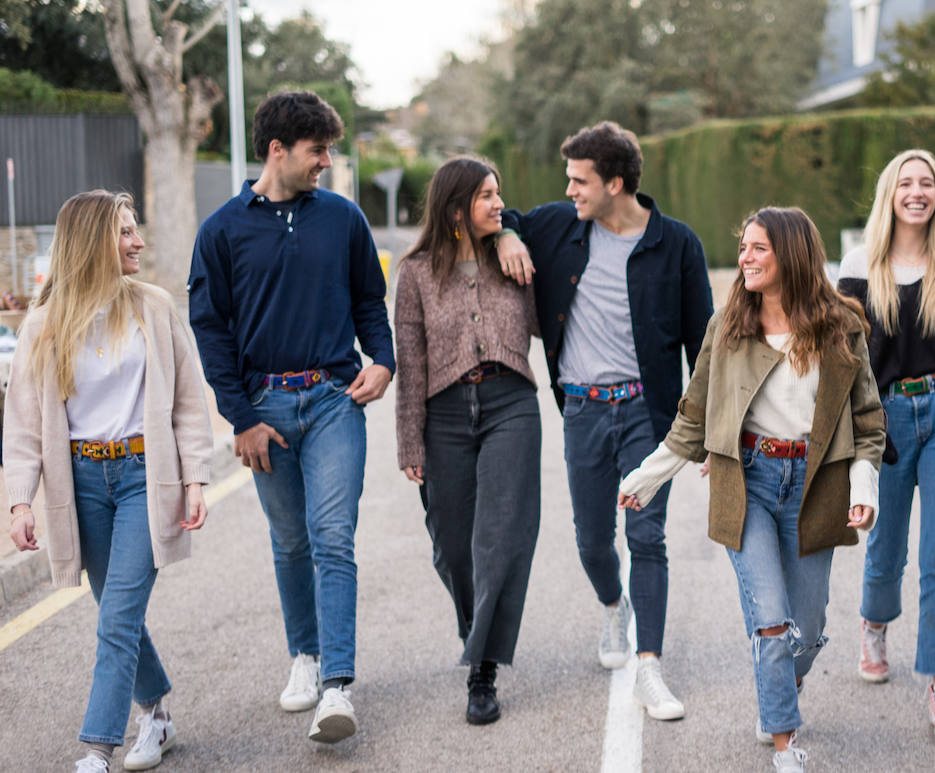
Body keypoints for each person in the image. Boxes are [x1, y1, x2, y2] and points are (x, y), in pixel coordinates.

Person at [619, 207, 885, 772]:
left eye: (758, 248)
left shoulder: (842, 326)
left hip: (816, 487)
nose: (745, 258)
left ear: (791, 254)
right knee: (770, 619)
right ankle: (787, 746)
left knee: (806, 631)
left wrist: (864, 485)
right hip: (751, 483)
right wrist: (647, 476)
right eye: (744, 247)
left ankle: (777, 691)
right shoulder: (729, 326)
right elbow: (693, 415)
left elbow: (868, 421)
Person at [188, 91, 395, 744]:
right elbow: (210, 331)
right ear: (277, 150)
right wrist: (241, 418)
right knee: (291, 541)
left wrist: (383, 360)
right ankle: (303, 655)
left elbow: (370, 301)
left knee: (332, 534)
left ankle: (337, 683)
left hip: (336, 398)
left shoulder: (343, 219)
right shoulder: (221, 231)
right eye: (318, 150)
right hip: (265, 411)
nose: (327, 163)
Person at [494, 121, 713, 719]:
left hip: (649, 412)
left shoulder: (677, 245)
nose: (570, 190)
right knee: (592, 540)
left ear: (616, 183)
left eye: (580, 180)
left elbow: (705, 345)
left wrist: (711, 434)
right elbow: (501, 213)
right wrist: (510, 235)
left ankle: (650, 667)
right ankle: (614, 606)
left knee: (647, 537)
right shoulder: (559, 227)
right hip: (585, 411)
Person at [4, 190, 214, 772]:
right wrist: (20, 503)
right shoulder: (44, 325)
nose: (138, 242)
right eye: (125, 232)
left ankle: (97, 749)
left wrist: (194, 479)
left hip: (146, 475)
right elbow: (21, 423)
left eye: (136, 229)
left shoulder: (153, 306)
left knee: (117, 616)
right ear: (93, 242)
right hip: (80, 485)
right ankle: (157, 712)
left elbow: (189, 402)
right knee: (114, 613)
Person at [835, 149, 935, 743]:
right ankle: (874, 622)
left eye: (926, 182)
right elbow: (840, 362)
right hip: (886, 419)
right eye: (906, 182)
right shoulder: (858, 265)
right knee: (885, 546)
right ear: (890, 193)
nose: (917, 191)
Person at [393, 156, 541, 725]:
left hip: (510, 404)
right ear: (456, 207)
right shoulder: (416, 274)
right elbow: (412, 364)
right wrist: (411, 442)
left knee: (500, 537)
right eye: (486, 196)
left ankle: (482, 669)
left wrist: (509, 234)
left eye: (499, 194)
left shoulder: (514, 257)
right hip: (444, 414)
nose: (497, 203)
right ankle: (475, 630)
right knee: (454, 545)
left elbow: (538, 319)